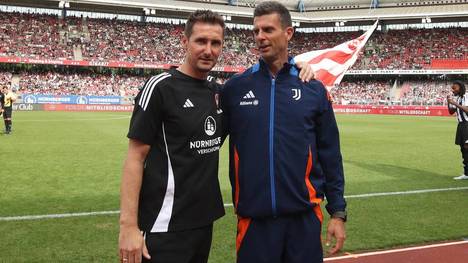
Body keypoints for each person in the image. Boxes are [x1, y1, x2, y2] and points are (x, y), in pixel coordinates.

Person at [220, 2, 347, 262]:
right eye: (255, 31)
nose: (260, 37)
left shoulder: (313, 89)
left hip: (304, 220)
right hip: (254, 222)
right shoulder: (235, 88)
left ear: (288, 33)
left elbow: (330, 154)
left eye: (268, 29)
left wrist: (338, 213)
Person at [447, 80, 468, 180]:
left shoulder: (466, 96)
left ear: (460, 87)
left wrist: (454, 103)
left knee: (467, 148)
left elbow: (467, 110)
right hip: (461, 125)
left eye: (454, 88)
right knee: (463, 149)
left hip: (467, 125)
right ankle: (466, 173)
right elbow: (451, 112)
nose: (453, 90)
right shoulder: (458, 98)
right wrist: (449, 102)